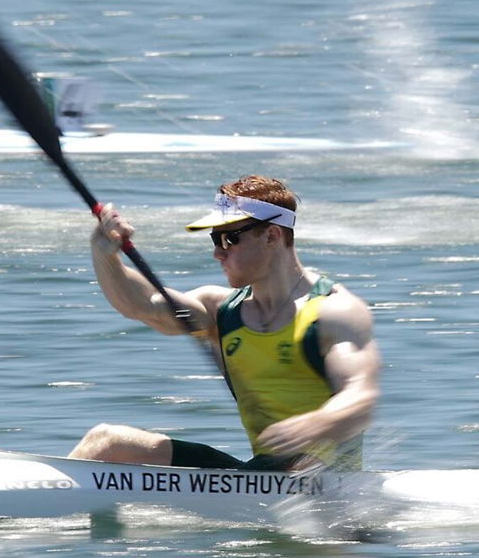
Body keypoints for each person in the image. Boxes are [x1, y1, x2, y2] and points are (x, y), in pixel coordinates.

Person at [69, 175, 380, 471]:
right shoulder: (221, 311)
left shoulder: (334, 311)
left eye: (229, 238)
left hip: (325, 486)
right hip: (260, 477)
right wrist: (105, 255)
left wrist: (314, 425)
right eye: (214, 240)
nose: (218, 253)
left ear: (272, 236)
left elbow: (360, 398)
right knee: (106, 442)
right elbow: (143, 306)